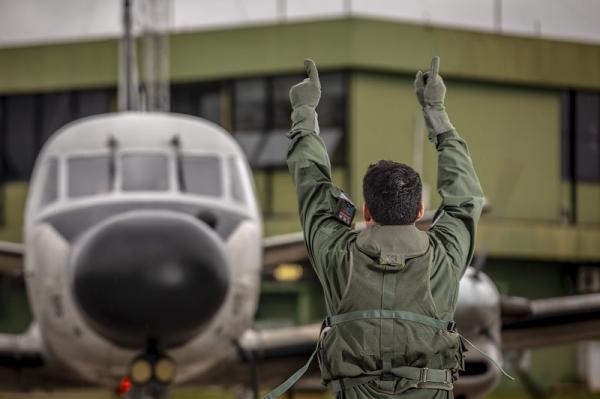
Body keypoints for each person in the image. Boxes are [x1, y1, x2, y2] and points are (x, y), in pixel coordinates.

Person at [267, 57, 484, 399]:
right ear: (420, 210)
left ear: (366, 211)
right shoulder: (445, 255)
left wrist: (304, 112)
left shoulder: (337, 253)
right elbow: (466, 197)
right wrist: (436, 112)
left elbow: (311, 183)